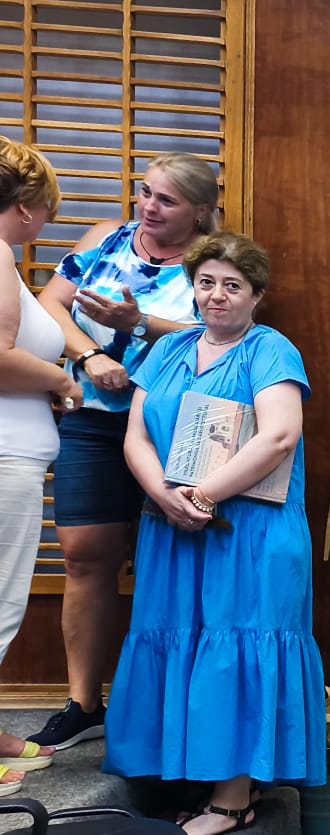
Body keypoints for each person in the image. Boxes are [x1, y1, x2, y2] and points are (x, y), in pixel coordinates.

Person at [103, 232, 326, 835]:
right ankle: (197, 780)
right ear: (192, 288)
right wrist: (163, 495)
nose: (217, 295)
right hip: (173, 523)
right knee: (185, 638)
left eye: (233, 285)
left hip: (251, 530)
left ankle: (231, 802)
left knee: (238, 642)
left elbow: (279, 435)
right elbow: (135, 436)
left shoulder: (270, 349)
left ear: (257, 294)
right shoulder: (167, 348)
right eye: (206, 283)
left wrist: (202, 495)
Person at [29, 152, 222, 753]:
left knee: (181, 555)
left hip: (171, 424)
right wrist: (88, 356)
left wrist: (139, 323)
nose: (149, 207)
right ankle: (83, 703)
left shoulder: (213, 260)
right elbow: (50, 303)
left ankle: (178, 702)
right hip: (89, 417)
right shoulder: (105, 238)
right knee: (85, 555)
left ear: (200, 211)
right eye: (145, 192)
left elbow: (222, 333)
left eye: (166, 200)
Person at [0, 137, 72, 789]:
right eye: (48, 207)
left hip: (13, 452)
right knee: (0, 602)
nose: (47, 221)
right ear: (26, 206)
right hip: (6, 458)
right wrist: (62, 381)